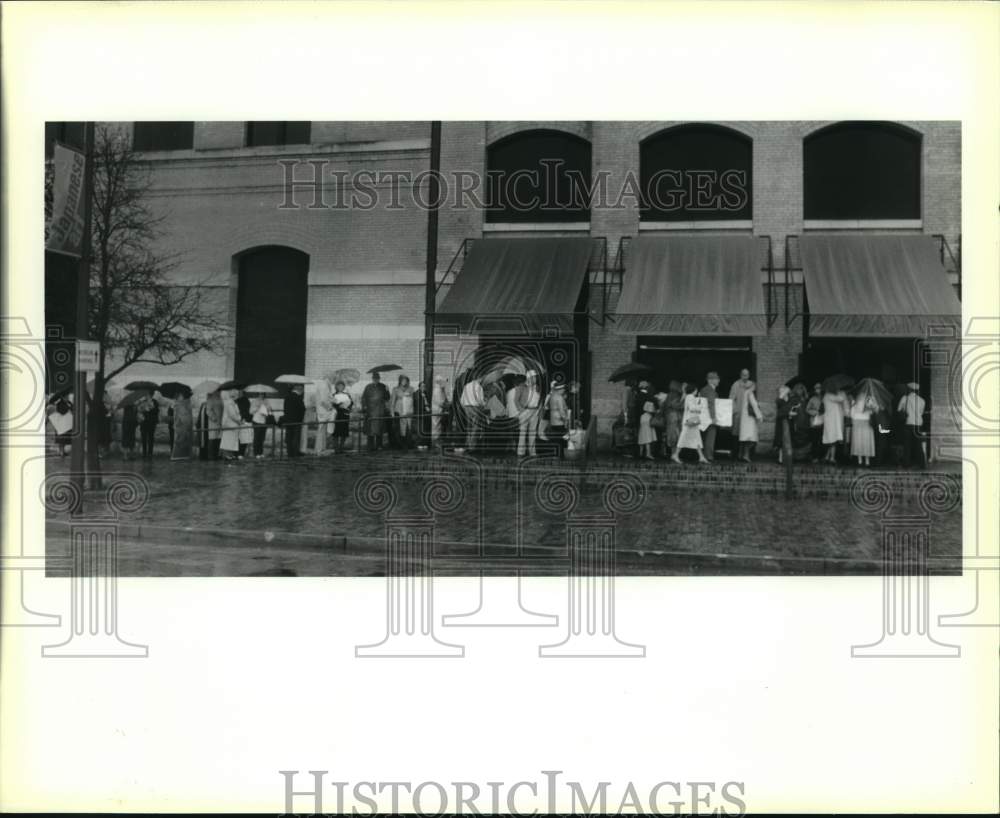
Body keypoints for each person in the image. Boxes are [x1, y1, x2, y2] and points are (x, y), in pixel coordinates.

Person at [674, 384, 710, 464]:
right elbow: (692, 408)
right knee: (684, 439)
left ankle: (701, 456)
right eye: (696, 390)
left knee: (696, 439)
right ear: (693, 390)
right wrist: (700, 405)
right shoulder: (690, 397)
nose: (697, 391)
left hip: (692, 422)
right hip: (690, 423)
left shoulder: (689, 397)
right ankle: (676, 455)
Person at [732, 377, 763, 462]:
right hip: (750, 419)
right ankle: (746, 455)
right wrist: (760, 416)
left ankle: (741, 455)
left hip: (745, 418)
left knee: (745, 439)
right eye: (754, 386)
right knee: (751, 439)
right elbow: (754, 405)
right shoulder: (750, 394)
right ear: (752, 386)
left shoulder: (745, 393)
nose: (755, 387)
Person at [897, 381, 927, 468]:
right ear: (916, 390)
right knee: (918, 444)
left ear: (909, 389)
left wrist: (906, 411)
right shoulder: (922, 400)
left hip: (908, 423)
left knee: (907, 444)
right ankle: (922, 464)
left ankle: (906, 464)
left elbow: (899, 410)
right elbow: (921, 413)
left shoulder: (904, 398)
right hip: (918, 424)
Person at [361, 373, 390, 452]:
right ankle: (370, 446)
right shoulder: (368, 387)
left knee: (379, 429)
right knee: (370, 430)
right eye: (374, 378)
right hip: (370, 411)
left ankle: (379, 445)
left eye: (377, 378)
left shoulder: (383, 386)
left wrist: (387, 390)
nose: (375, 380)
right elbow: (364, 398)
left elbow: (387, 398)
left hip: (380, 410)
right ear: (372, 379)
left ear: (379, 379)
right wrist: (364, 407)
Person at [516, 370, 542, 457]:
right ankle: (521, 452)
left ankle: (532, 452)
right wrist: (521, 410)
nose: (535, 379)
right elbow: (516, 400)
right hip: (525, 410)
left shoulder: (537, 387)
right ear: (529, 378)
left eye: (535, 377)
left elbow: (539, 399)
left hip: (535, 411)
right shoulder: (521, 387)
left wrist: (538, 409)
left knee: (532, 432)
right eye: (534, 377)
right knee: (523, 432)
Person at [459, 372, 485, 453]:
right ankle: (472, 447)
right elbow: (480, 400)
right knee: (475, 428)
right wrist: (484, 404)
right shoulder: (478, 387)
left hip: (466, 407)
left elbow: (462, 400)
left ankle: (467, 444)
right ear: (480, 378)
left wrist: (465, 407)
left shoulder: (467, 386)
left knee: (469, 427)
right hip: (475, 408)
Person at [821, 386, 847, 464]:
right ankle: (831, 458)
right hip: (831, 421)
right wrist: (842, 393)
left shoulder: (827, 395)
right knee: (833, 439)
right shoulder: (829, 395)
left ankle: (827, 457)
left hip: (832, 420)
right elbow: (841, 398)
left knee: (832, 439)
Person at [850, 391, 876, 467]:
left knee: (858, 441)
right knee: (867, 441)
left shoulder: (854, 399)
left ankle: (860, 460)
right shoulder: (870, 398)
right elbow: (874, 410)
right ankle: (867, 461)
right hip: (866, 421)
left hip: (857, 421)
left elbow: (851, 413)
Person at [699, 372, 721, 462]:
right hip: (709, 418)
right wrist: (713, 417)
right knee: (710, 436)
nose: (719, 380)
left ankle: (705, 455)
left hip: (704, 417)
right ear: (710, 380)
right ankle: (709, 455)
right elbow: (711, 404)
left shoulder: (704, 389)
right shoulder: (710, 391)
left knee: (705, 436)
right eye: (717, 378)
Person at [546, 380, 571, 458]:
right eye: (563, 389)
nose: (564, 390)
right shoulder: (559, 398)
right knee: (562, 438)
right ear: (560, 389)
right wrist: (566, 419)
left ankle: (555, 454)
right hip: (559, 420)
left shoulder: (552, 396)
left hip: (553, 419)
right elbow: (561, 410)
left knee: (555, 437)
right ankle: (561, 455)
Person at [281, 383, 306, 457]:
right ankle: (295, 453)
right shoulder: (298, 397)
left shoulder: (287, 397)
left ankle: (290, 453)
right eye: (302, 389)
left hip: (288, 421)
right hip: (296, 421)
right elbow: (302, 409)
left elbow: (285, 409)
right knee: (296, 438)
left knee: (289, 438)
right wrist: (301, 419)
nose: (303, 391)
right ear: (299, 389)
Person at [219, 389, 245, 461]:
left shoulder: (232, 403)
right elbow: (232, 415)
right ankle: (227, 455)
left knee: (231, 440)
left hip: (232, 425)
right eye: (236, 394)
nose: (237, 395)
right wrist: (239, 421)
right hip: (230, 425)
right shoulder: (230, 403)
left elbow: (236, 413)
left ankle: (230, 454)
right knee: (228, 441)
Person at [391, 374, 415, 449]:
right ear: (400, 381)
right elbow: (393, 401)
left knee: (408, 426)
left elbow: (413, 400)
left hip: (408, 409)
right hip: (399, 410)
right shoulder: (396, 389)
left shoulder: (411, 389)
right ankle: (400, 444)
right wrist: (392, 412)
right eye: (402, 380)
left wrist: (412, 410)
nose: (404, 382)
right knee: (400, 428)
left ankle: (408, 443)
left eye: (406, 381)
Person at [313, 379, 334, 456]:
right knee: (321, 430)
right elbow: (323, 400)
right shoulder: (324, 385)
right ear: (329, 376)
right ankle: (319, 449)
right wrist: (329, 408)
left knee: (322, 430)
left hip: (324, 411)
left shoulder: (326, 385)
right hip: (323, 412)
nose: (334, 379)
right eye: (333, 377)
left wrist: (335, 400)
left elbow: (328, 397)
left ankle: (321, 448)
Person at [331, 381, 353, 453]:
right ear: (336, 387)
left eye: (342, 386)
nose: (340, 387)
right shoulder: (333, 395)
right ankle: (336, 448)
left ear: (344, 387)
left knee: (344, 432)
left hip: (345, 415)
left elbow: (351, 402)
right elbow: (332, 404)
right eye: (339, 386)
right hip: (337, 415)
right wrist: (339, 405)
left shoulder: (347, 394)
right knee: (336, 432)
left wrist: (348, 405)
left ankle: (341, 447)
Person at [170, 393, 194, 460]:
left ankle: (183, 455)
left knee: (182, 440)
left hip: (181, 426)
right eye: (181, 396)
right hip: (180, 426)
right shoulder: (179, 405)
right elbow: (182, 417)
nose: (182, 397)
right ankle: (179, 455)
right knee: (180, 440)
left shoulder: (180, 405)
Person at [805, 383, 824, 463]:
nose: (818, 390)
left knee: (822, 440)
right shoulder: (812, 399)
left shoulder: (824, 398)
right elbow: (807, 409)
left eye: (819, 388)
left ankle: (821, 456)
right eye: (816, 388)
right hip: (814, 422)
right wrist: (815, 412)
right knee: (815, 440)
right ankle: (814, 456)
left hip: (823, 421)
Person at [137, 394, 159, 459]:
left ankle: (150, 453)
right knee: (144, 438)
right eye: (145, 395)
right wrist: (142, 410)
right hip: (144, 423)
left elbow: (157, 411)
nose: (146, 396)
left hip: (151, 423)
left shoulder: (155, 402)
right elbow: (139, 411)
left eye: (148, 395)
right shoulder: (143, 402)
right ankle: (144, 453)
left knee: (151, 438)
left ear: (151, 395)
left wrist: (150, 409)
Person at [250, 394, 272, 458]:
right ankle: (256, 453)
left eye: (263, 394)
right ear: (258, 394)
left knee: (262, 438)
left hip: (264, 421)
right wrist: (257, 407)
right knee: (257, 437)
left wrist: (267, 407)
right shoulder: (254, 401)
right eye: (260, 394)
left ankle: (260, 452)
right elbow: (251, 412)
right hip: (256, 421)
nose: (261, 395)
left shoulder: (266, 401)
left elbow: (269, 409)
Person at [413, 380, 432, 450]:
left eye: (424, 386)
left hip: (426, 414)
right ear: (419, 387)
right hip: (419, 414)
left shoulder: (426, 394)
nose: (423, 388)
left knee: (426, 429)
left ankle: (425, 443)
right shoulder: (416, 394)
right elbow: (417, 404)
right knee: (420, 429)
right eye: (422, 386)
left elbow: (428, 403)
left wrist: (425, 399)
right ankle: (419, 443)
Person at [431, 375, 448, 447]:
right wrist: (446, 405)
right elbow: (440, 402)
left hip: (439, 410)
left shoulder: (441, 389)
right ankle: (435, 441)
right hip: (437, 410)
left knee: (438, 425)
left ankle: (437, 440)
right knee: (436, 425)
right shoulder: (437, 390)